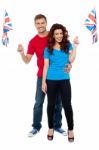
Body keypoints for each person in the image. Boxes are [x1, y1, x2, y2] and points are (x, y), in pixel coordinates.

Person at [17, 14, 72, 137]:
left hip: (57, 76)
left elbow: (65, 54)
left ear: (46, 23)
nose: (40, 25)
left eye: (42, 22)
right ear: (35, 25)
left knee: (58, 103)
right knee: (38, 102)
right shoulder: (33, 41)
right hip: (42, 76)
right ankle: (36, 127)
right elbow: (27, 60)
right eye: (38, 23)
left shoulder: (54, 36)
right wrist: (21, 53)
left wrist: (69, 65)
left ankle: (57, 126)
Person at [42, 23, 79, 141]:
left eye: (61, 33)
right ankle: (51, 128)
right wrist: (43, 82)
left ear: (63, 34)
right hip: (51, 79)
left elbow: (71, 60)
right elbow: (46, 66)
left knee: (67, 105)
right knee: (51, 105)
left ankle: (71, 129)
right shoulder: (48, 48)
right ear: (53, 35)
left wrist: (76, 46)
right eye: (56, 34)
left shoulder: (67, 45)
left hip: (64, 79)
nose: (59, 36)